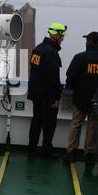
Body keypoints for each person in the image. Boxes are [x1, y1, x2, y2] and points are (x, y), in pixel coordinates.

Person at [63, 31, 98, 164]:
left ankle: (71, 152)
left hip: (80, 98)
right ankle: (89, 153)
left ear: (91, 41)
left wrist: (74, 88)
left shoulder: (79, 58)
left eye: (87, 40)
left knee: (75, 124)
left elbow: (70, 76)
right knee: (92, 126)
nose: (86, 42)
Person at [27, 22, 67, 157]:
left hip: (35, 93)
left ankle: (32, 149)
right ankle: (46, 152)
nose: (63, 39)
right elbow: (53, 77)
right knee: (49, 124)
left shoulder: (37, 49)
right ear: (56, 35)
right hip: (47, 95)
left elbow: (34, 71)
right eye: (62, 36)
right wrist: (55, 97)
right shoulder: (52, 53)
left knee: (36, 121)